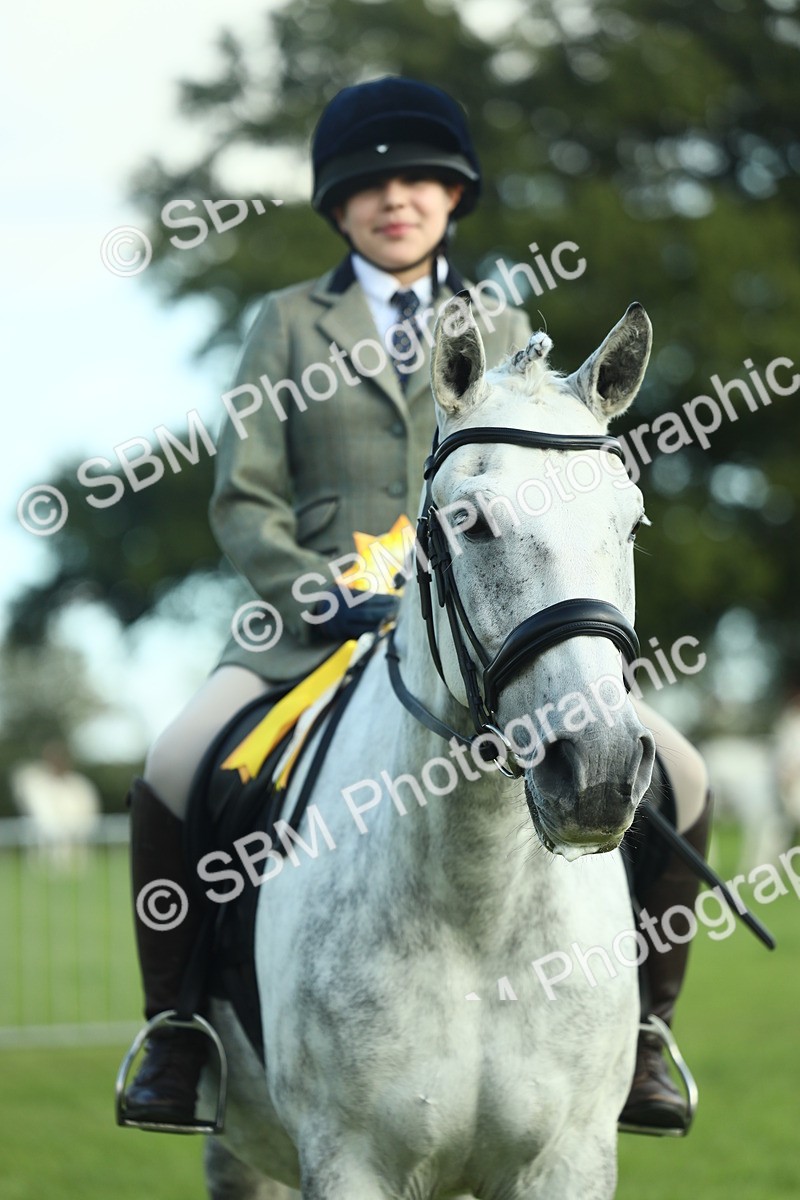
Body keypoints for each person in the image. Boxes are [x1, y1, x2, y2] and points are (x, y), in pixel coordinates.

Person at [122, 76, 709, 1135]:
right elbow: (242, 492)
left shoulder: (502, 320)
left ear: (453, 196)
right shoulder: (286, 325)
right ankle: (177, 1034)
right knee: (174, 763)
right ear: (336, 204)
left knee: (684, 770)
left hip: (476, 632)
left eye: (420, 180)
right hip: (308, 626)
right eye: (370, 184)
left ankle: (644, 1038)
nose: (396, 198)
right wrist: (318, 586)